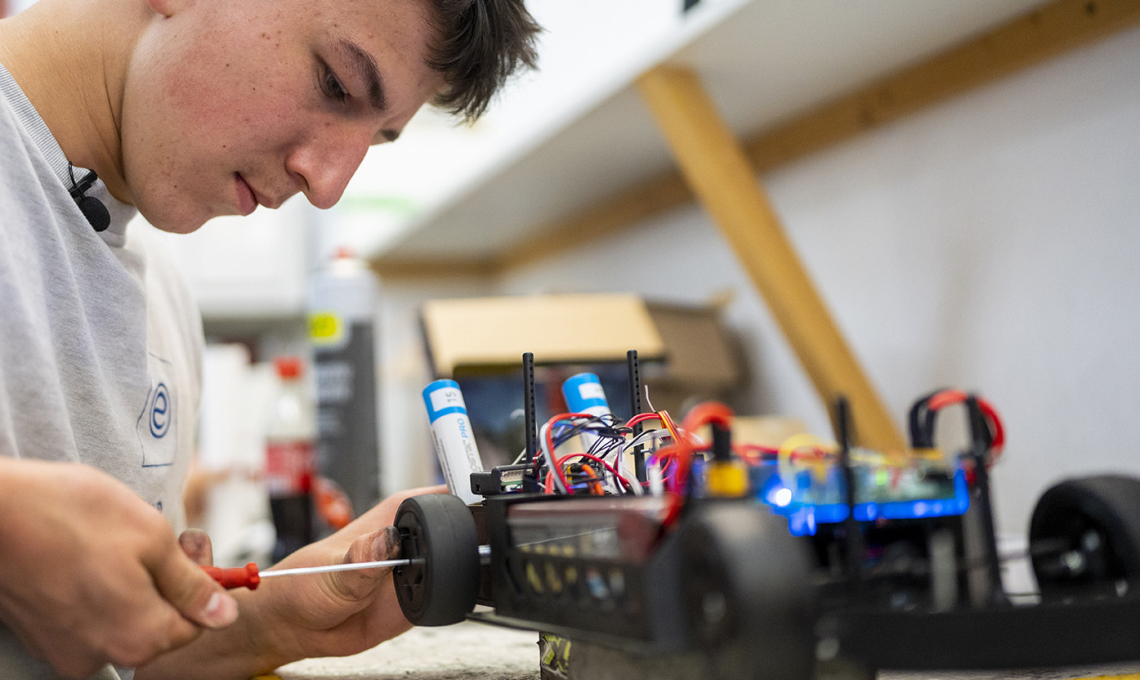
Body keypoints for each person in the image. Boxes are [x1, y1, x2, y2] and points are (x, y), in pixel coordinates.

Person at [0, 0, 540, 677]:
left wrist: (272, 623)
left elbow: (109, 660)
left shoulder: (161, 299)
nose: (329, 185)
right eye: (336, 83)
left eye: (373, 140)